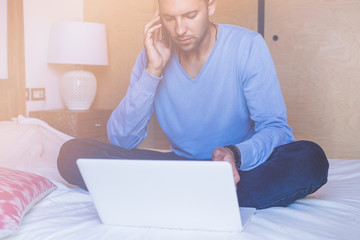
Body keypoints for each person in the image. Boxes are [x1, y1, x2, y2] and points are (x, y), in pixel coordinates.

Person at [57, 0, 329, 209]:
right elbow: (121, 139)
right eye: (169, 18)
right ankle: (202, 197)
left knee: (310, 159)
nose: (179, 30)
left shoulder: (247, 47)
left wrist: (234, 153)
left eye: (190, 16)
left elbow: (277, 130)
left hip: (238, 170)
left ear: (211, 5)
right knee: (72, 153)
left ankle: (173, 197)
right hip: (181, 167)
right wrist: (153, 71)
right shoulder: (151, 56)